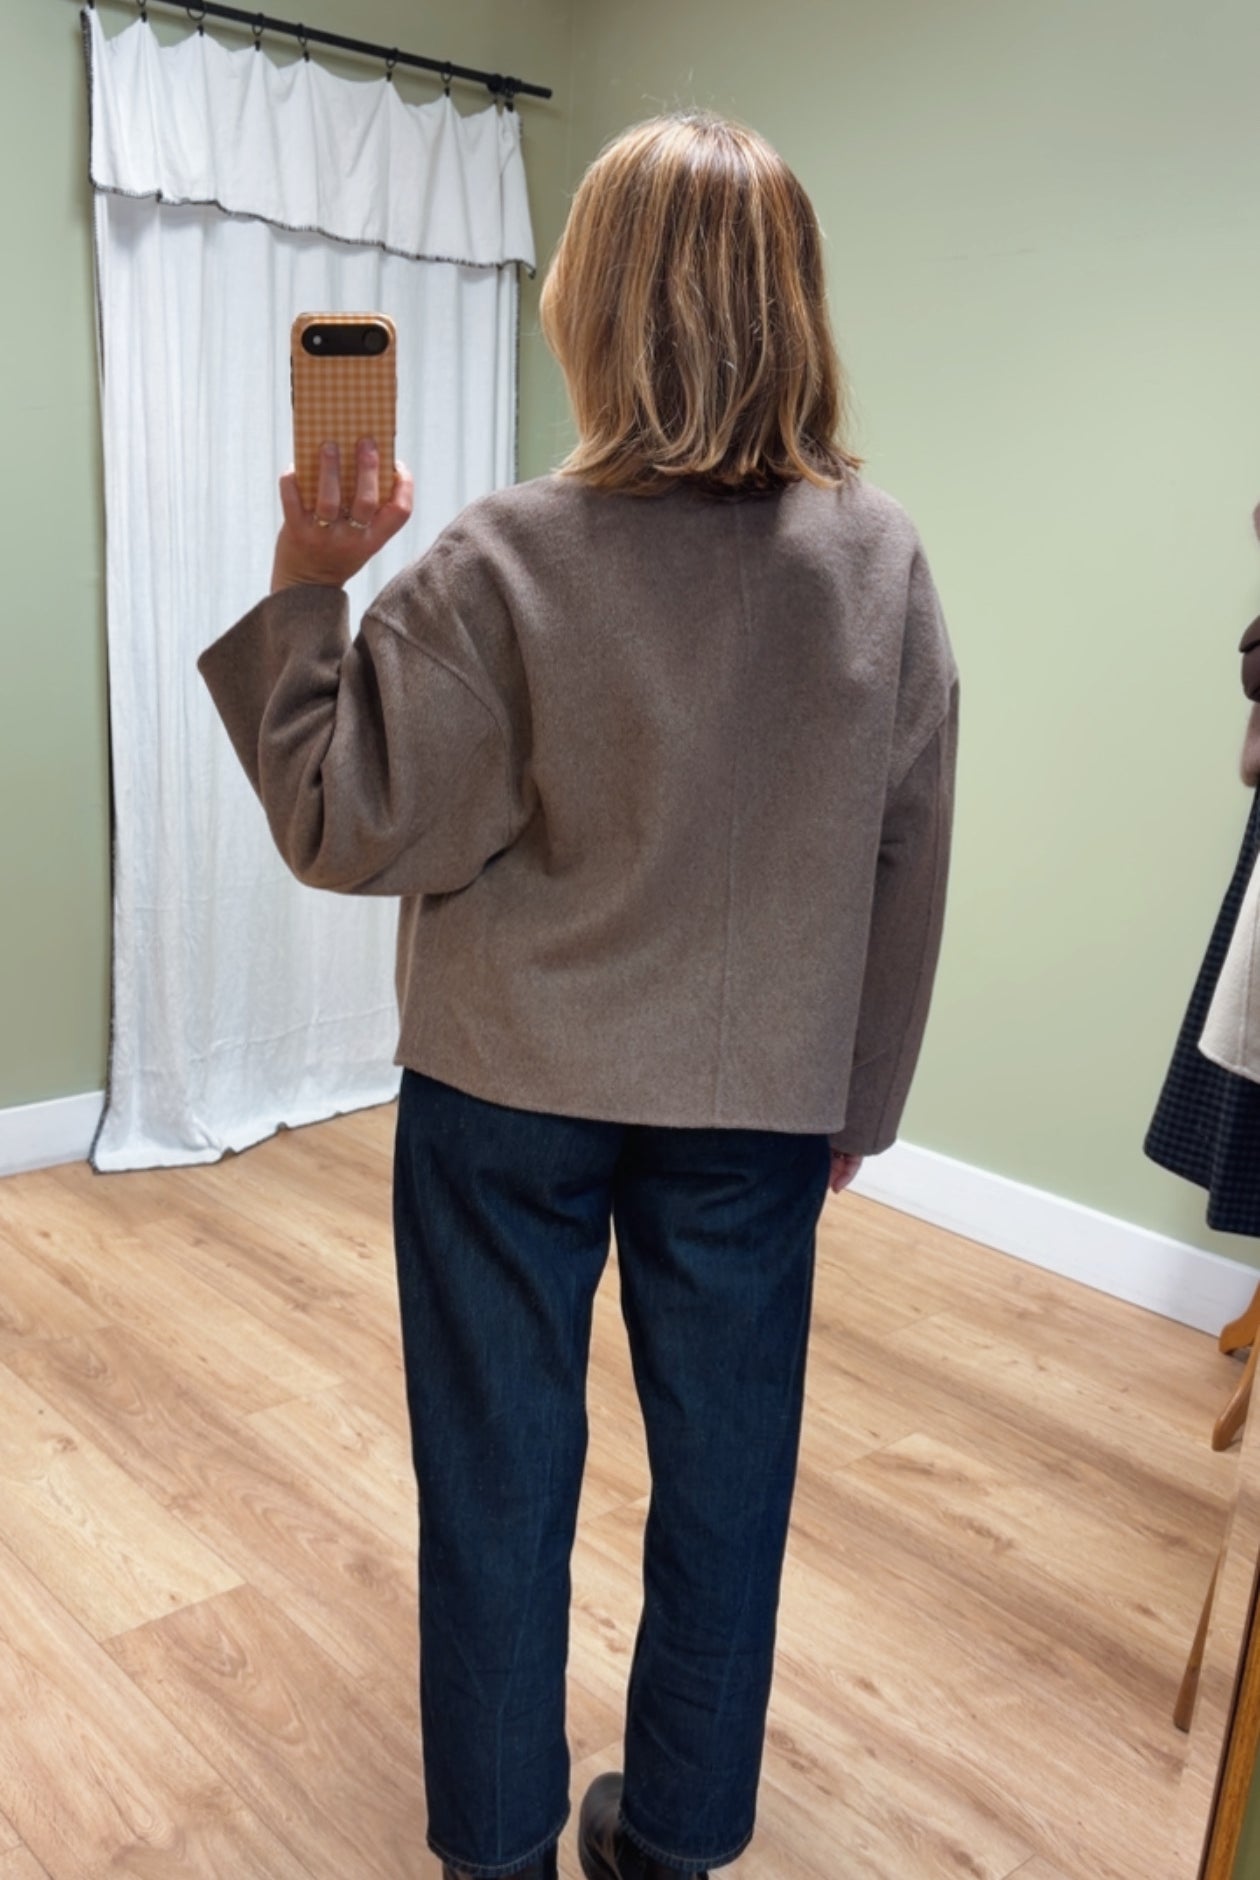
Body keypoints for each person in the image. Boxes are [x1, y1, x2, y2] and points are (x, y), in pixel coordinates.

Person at [200, 110, 958, 1880]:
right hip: (756, 1101)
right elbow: (905, 853)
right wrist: (862, 1100)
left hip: (504, 1087)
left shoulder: (500, 557)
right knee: (729, 1488)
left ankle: (495, 1849)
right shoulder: (880, 564)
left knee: (496, 1481)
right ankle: (676, 1840)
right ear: (794, 303)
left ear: (594, 309)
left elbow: (345, 822)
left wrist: (311, 586)